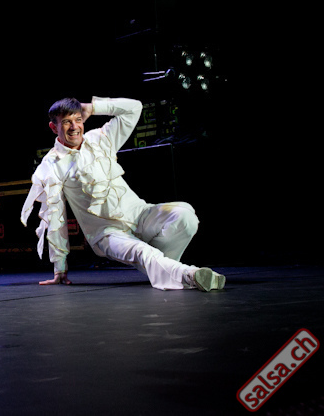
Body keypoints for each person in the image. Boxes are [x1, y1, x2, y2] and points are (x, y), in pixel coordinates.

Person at [21, 96, 225, 291]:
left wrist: (93, 107)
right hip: (108, 233)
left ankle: (165, 269)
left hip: (140, 215)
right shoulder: (51, 165)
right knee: (142, 251)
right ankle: (190, 275)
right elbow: (56, 218)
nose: (74, 127)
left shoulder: (100, 138)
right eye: (67, 122)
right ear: (53, 127)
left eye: (78, 120)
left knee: (185, 215)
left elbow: (134, 108)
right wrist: (60, 267)